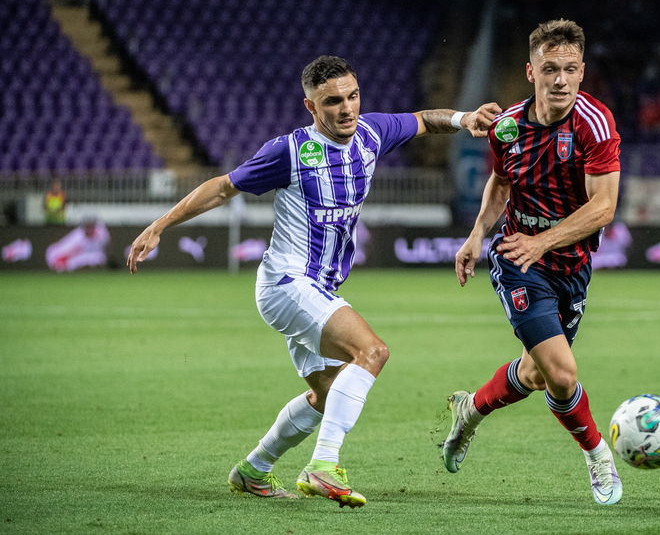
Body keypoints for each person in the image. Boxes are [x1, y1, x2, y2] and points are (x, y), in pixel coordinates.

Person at [127, 55, 500, 506]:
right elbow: (223, 187)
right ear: (311, 106)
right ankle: (323, 465)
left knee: (327, 395)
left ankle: (254, 469)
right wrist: (160, 225)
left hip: (317, 289)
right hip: (287, 284)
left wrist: (465, 118)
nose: (347, 109)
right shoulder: (289, 152)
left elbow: (423, 120)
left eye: (352, 96)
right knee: (372, 351)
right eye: (333, 102)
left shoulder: (372, 132)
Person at [445, 20, 624, 505]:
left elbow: (604, 207)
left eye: (570, 69)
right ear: (531, 72)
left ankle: (470, 411)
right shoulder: (507, 127)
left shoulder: (595, 125)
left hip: (568, 262)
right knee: (562, 375)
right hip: (518, 258)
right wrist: (477, 235)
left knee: (536, 375)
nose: (560, 80)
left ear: (582, 71)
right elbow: (502, 183)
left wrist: (544, 242)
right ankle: (598, 456)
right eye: (550, 69)